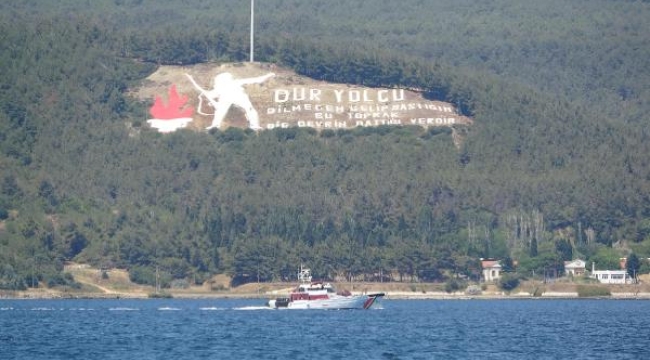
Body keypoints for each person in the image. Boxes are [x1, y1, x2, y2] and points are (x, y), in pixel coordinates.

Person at [186, 71, 275, 130]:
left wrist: (268, 75)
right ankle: (215, 125)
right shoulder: (221, 88)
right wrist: (192, 80)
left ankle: (254, 124)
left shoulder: (231, 84)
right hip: (228, 98)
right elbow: (207, 93)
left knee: (249, 109)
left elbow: (256, 80)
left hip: (239, 97)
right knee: (220, 112)